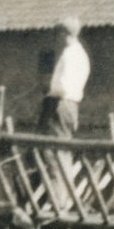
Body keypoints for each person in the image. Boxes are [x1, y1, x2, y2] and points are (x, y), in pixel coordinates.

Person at [38, 17, 90, 207]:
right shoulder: (81, 54)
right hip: (71, 106)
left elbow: (63, 86)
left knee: (53, 152)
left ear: (63, 34)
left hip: (60, 104)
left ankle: (57, 201)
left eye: (57, 34)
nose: (56, 38)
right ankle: (63, 198)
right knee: (63, 152)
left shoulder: (69, 54)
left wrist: (49, 89)